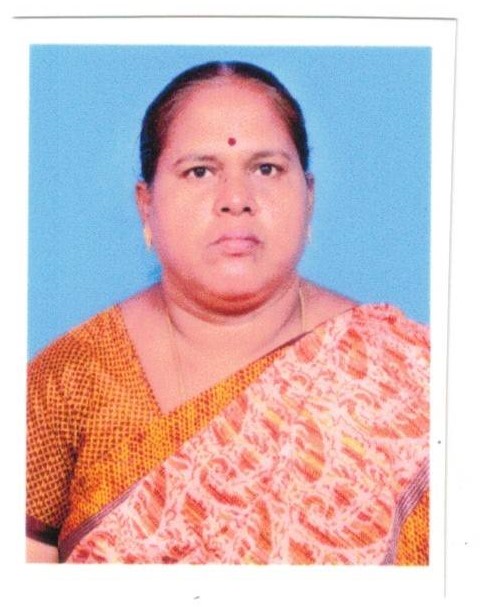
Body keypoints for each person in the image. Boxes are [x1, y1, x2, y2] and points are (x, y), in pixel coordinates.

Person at [26, 61, 429, 564]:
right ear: (146, 206)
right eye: (200, 171)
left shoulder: (407, 377)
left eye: (266, 169)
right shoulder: (68, 381)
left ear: (309, 197)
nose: (236, 199)